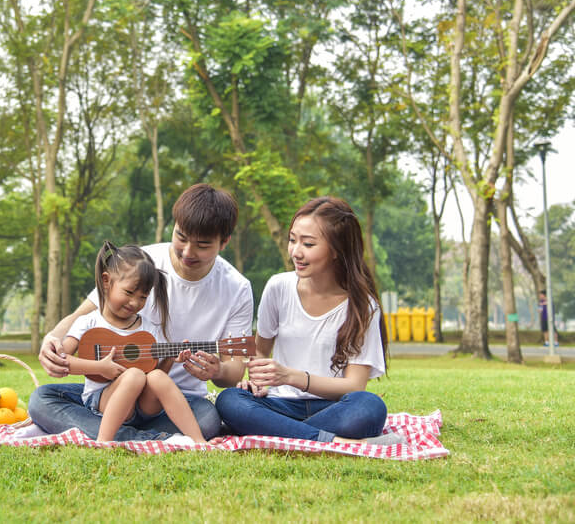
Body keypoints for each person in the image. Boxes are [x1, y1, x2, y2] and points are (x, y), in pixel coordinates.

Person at [30, 183, 253, 441]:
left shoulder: (237, 288)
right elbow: (81, 315)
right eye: (181, 237)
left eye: (202, 245)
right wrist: (52, 339)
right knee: (41, 399)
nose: (187, 252)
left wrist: (217, 372)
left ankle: (111, 435)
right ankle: (151, 438)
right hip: (113, 391)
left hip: (175, 399)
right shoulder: (142, 262)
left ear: (224, 242)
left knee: (207, 421)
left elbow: (234, 369)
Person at [215, 196, 400, 444]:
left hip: (332, 407)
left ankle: (281, 432)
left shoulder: (363, 306)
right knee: (230, 400)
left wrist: (291, 376)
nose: (296, 252)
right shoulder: (279, 286)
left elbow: (355, 386)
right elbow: (260, 350)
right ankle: (334, 441)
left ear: (337, 250)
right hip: (278, 403)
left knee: (369, 406)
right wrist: (256, 380)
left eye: (309, 244)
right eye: (293, 240)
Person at [62, 241, 207, 443]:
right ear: (106, 281)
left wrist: (169, 360)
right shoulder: (88, 322)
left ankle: (199, 442)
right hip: (101, 399)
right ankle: (103, 442)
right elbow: (63, 360)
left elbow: (156, 378)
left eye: (143, 297)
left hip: (142, 406)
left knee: (154, 375)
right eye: (129, 293)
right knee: (134, 375)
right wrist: (99, 367)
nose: (135, 303)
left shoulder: (149, 328)